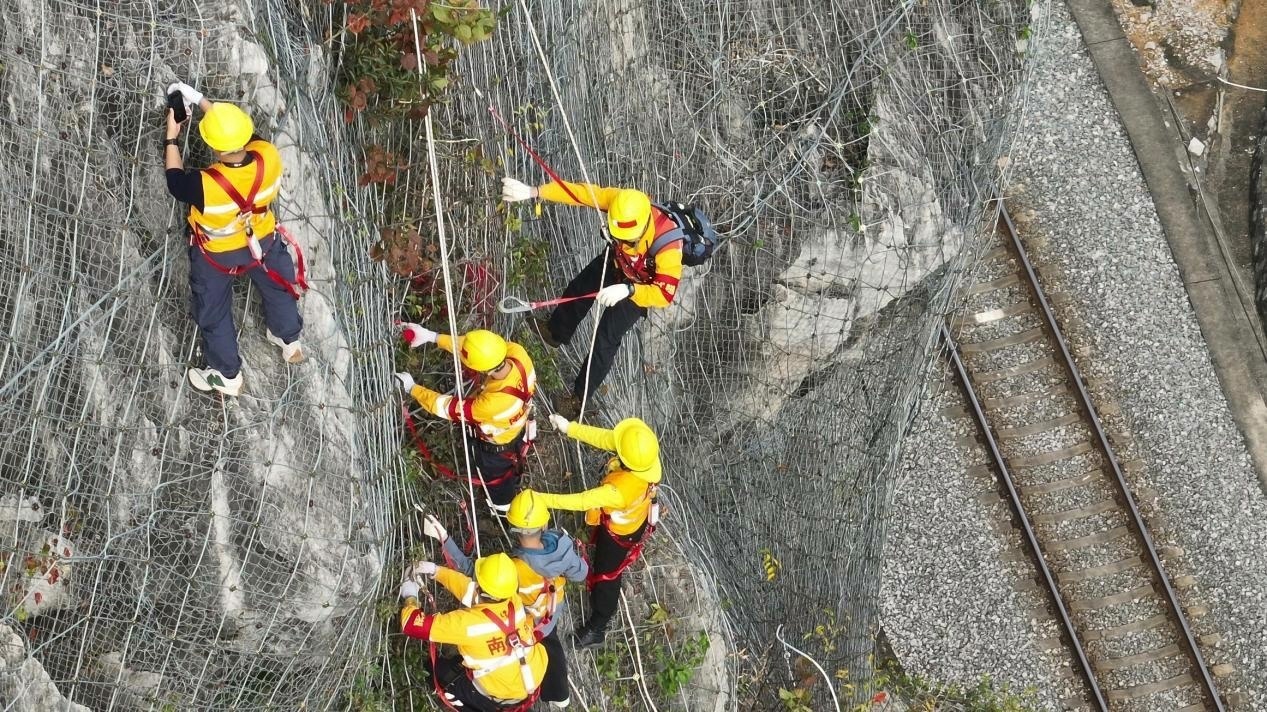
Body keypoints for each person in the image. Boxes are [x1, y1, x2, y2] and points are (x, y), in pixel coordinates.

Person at [501, 176, 685, 418]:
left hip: (642, 287)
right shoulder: (622, 203)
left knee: (605, 339)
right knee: (581, 286)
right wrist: (535, 191)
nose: (621, 240)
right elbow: (581, 193)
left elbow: (664, 294)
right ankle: (556, 331)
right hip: (618, 262)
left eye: (627, 239)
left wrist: (629, 290)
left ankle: (578, 399)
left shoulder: (668, 246)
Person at [164, 81, 305, 397]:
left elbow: (174, 180)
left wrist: (172, 134)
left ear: (213, 147)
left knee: (213, 309)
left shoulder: (203, 184)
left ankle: (226, 373)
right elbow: (238, 135)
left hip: (218, 255)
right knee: (278, 284)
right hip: (262, 242)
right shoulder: (268, 155)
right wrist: (201, 100)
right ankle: (287, 337)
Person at [421, 492, 587, 709]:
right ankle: (558, 693)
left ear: (514, 529)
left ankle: (507, 688)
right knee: (550, 644)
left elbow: (472, 572)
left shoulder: (516, 568)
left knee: (521, 646)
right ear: (544, 523)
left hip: (525, 619)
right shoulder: (561, 543)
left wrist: (445, 540)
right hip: (552, 609)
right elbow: (581, 574)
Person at [522, 415, 661, 648]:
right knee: (605, 567)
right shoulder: (645, 460)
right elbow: (604, 438)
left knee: (608, 575)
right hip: (627, 520)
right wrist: (570, 428)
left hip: (621, 535)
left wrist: (542, 499)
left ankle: (598, 625)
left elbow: (583, 500)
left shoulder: (620, 491)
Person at [395, 327, 536, 514]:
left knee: (498, 484)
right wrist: (432, 336)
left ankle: (501, 512)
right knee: (510, 466)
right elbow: (475, 350)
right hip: (518, 429)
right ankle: (509, 488)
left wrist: (412, 388)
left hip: (495, 451)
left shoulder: (491, 404)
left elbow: (446, 407)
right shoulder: (517, 354)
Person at [399, 552, 547, 711]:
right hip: (530, 676)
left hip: (499, 695)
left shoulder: (468, 625)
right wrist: (437, 571)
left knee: (434, 671)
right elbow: (471, 592)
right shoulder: (513, 601)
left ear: (481, 587)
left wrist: (410, 597)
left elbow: (411, 624)